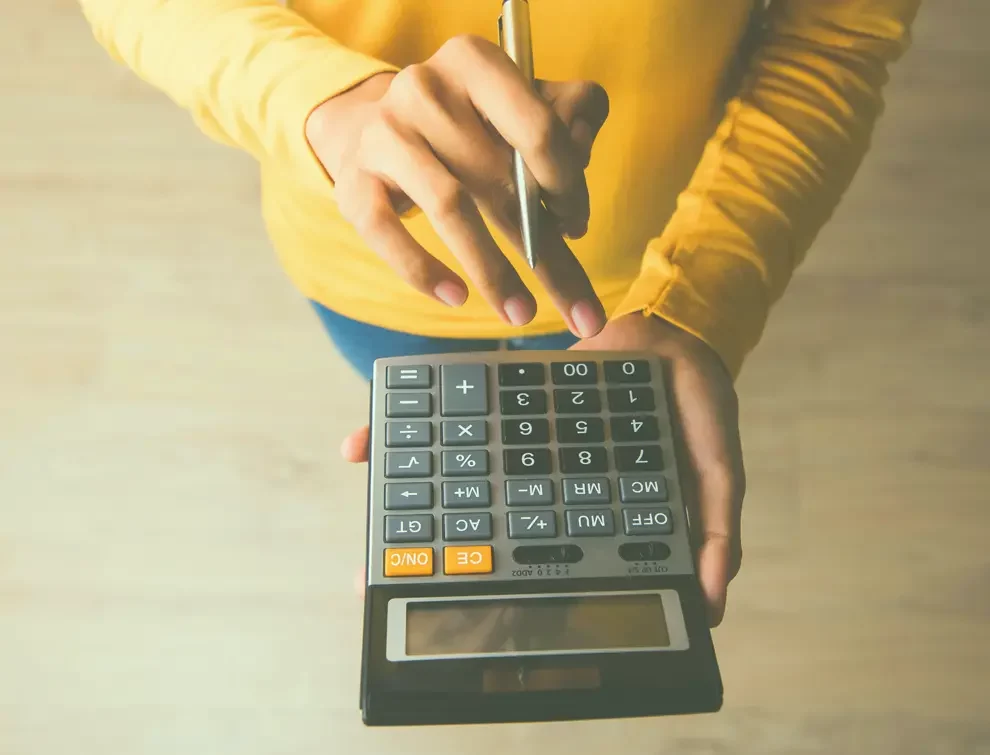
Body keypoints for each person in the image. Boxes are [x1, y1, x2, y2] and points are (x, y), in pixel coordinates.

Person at [79, 0, 921, 626]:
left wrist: (698, 295)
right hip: (374, 270)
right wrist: (326, 102)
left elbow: (837, 36)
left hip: (637, 279)